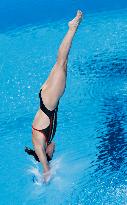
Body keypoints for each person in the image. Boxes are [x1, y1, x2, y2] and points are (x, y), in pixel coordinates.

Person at [25, 10, 83, 181]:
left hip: (49, 100)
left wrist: (46, 171)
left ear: (47, 154)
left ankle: (72, 28)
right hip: (48, 98)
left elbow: (42, 160)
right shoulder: (44, 141)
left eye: (53, 153)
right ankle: (72, 28)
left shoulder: (39, 146)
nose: (54, 150)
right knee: (62, 63)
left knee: (62, 61)